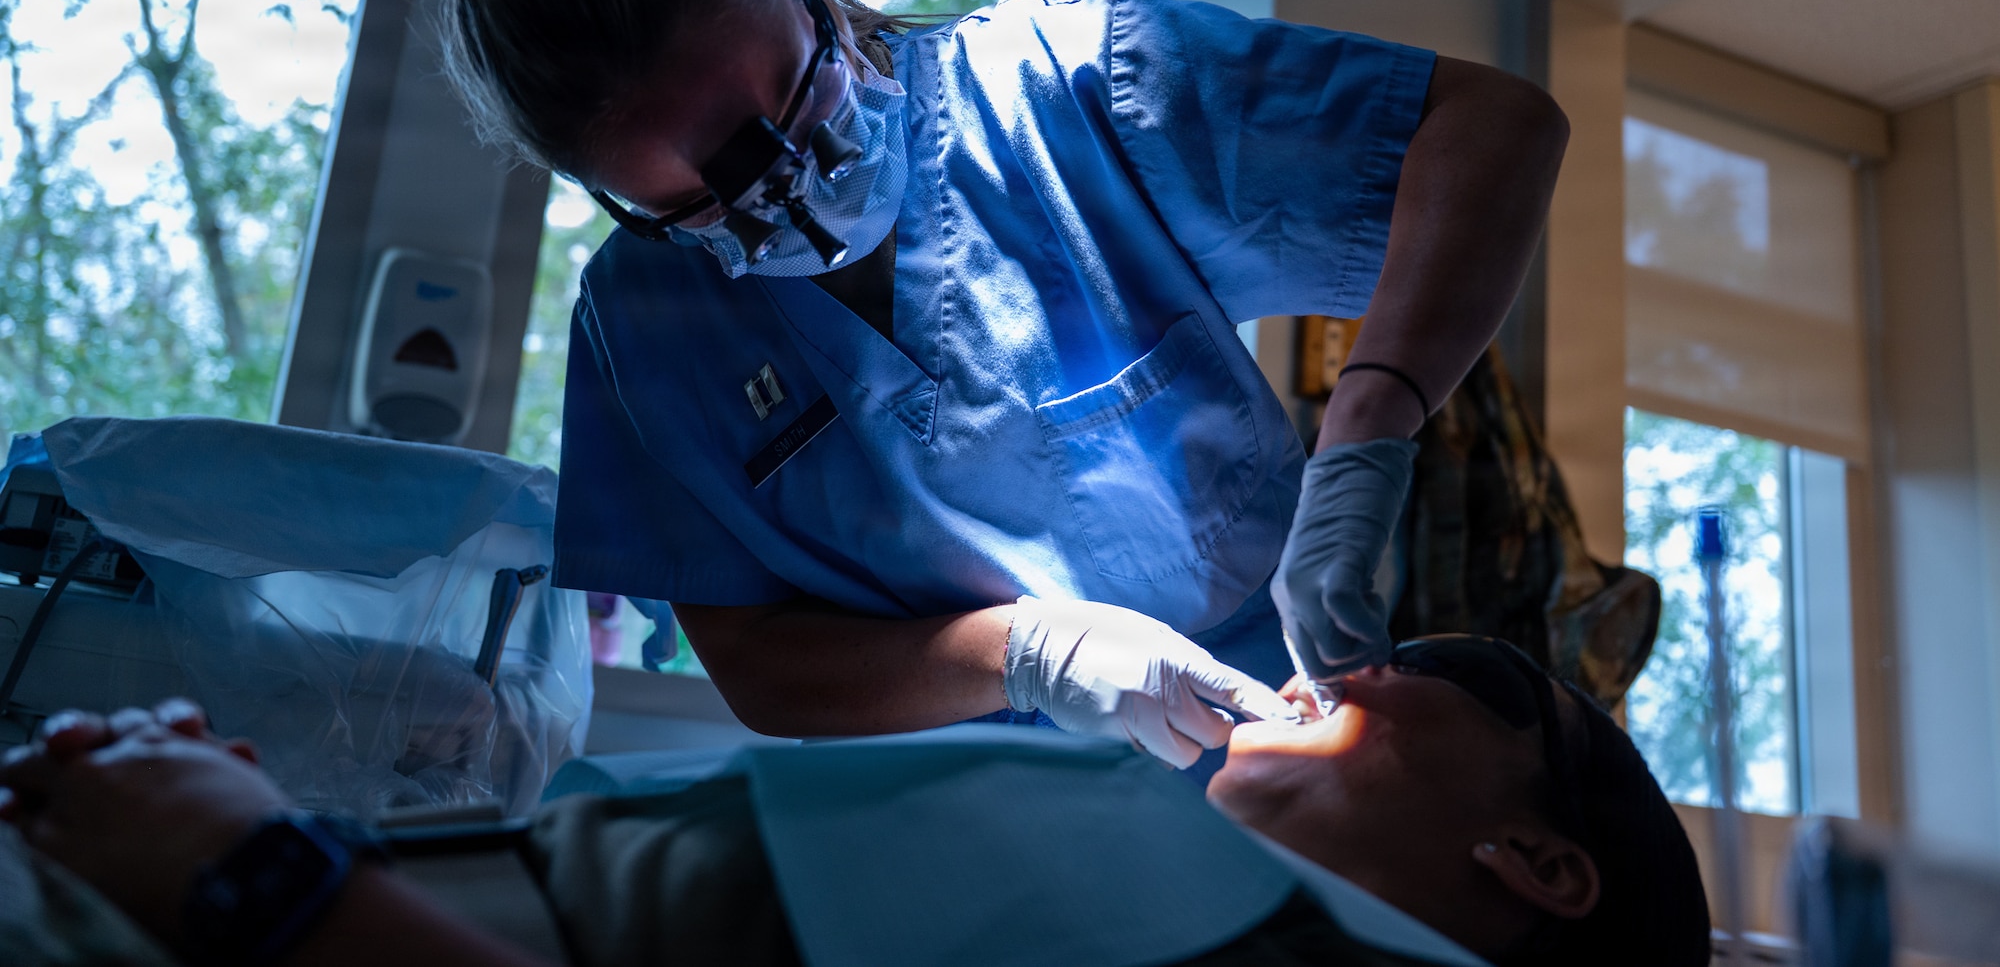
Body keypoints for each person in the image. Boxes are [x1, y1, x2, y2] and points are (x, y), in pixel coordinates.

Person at [390, 0, 1570, 767]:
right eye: (707, 201)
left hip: (1283, 718)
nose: (790, 192)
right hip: (965, 820)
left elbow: (1491, 130)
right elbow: (757, 664)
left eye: (795, 105)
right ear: (600, 192)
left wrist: (1369, 422)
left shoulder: (1069, 91)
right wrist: (1022, 653)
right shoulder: (639, 329)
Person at [0, 637, 1709, 967]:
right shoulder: (1205, 892)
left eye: (1454, 677)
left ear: (1538, 862)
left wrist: (253, 879)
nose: (1353, 657)